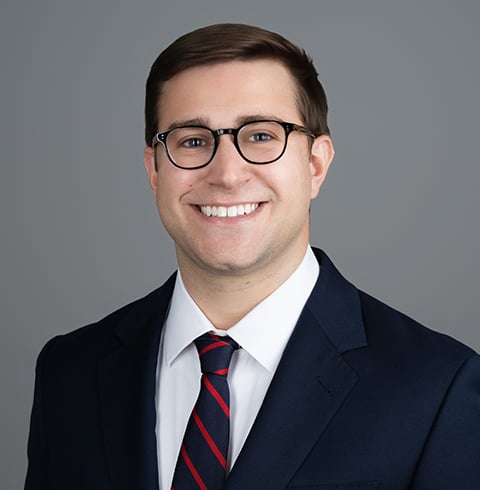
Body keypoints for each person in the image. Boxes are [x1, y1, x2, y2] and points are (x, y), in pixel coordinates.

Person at [25, 23, 480, 490]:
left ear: (315, 164)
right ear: (154, 171)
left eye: (261, 136)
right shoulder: (69, 372)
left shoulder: (437, 388)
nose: (226, 173)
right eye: (193, 140)